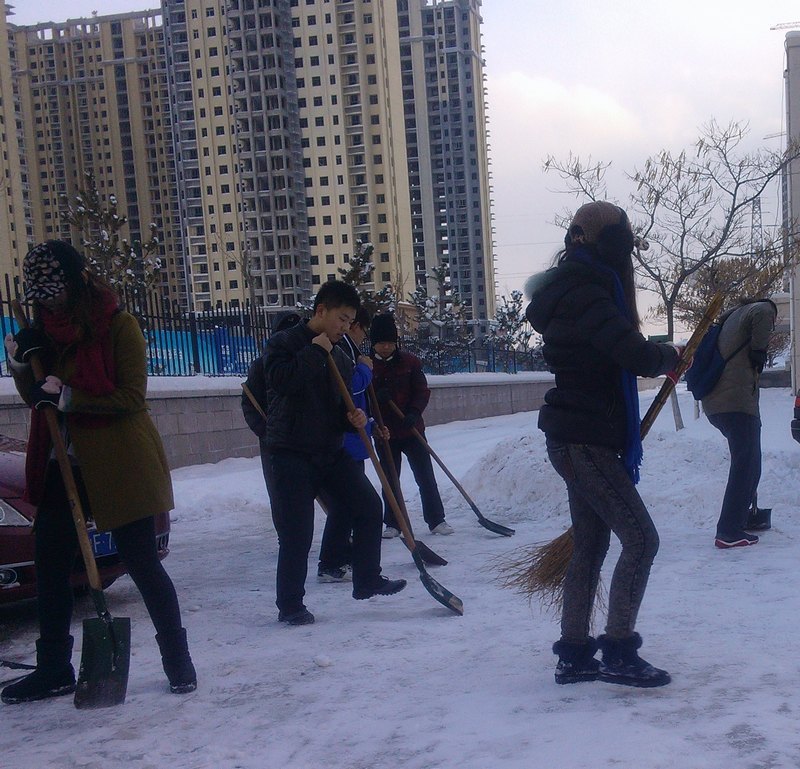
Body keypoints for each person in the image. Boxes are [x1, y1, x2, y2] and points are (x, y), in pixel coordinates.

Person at [1, 240, 196, 705]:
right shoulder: (44, 333)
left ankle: (177, 660)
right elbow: (38, 402)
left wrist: (70, 397)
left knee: (143, 564)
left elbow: (131, 396)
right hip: (62, 464)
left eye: (56, 291)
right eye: (41, 294)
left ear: (77, 282)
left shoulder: (118, 326)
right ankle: (53, 669)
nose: (49, 301)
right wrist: (21, 365)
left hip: (120, 465)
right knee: (50, 566)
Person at [525, 201, 682, 688]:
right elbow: (629, 351)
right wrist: (668, 355)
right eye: (624, 242)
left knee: (590, 545)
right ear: (605, 243)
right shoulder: (586, 291)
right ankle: (616, 649)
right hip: (584, 439)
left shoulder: (573, 283)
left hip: (581, 433)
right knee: (641, 538)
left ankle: (574, 653)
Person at [261, 281, 406, 626]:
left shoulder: (340, 353)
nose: (344, 327)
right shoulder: (283, 344)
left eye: (349, 321)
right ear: (321, 311)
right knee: (298, 531)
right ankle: (290, 604)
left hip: (328, 450)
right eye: (341, 319)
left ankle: (367, 579)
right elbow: (282, 383)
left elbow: (338, 403)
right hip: (290, 452)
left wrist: (351, 417)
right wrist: (316, 351)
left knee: (369, 506)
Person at [315, 306, 389, 583]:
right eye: (362, 329)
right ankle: (332, 562)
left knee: (348, 505)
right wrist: (366, 370)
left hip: (355, 436)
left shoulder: (348, 350)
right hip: (345, 440)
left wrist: (373, 425)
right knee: (347, 505)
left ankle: (340, 558)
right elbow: (350, 388)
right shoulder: (341, 352)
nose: (360, 334)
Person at [701, 298, 777, 549]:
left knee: (750, 461)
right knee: (746, 464)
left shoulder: (731, 320)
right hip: (735, 403)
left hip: (720, 404)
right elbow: (763, 313)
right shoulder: (763, 309)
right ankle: (728, 530)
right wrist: (759, 350)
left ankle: (744, 516)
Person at [369, 313, 453, 537]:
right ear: (373, 343)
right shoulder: (366, 366)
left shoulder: (409, 362)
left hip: (412, 428)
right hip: (384, 432)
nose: (386, 347)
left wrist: (415, 413)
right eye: (381, 343)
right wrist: (375, 397)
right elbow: (360, 398)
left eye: (390, 342)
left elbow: (422, 391)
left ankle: (436, 520)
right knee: (390, 478)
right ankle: (393, 523)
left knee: (425, 476)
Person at [241, 310, 302, 497]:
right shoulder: (261, 366)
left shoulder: (307, 361)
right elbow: (249, 404)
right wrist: (268, 432)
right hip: (275, 444)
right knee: (282, 496)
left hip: (307, 441)